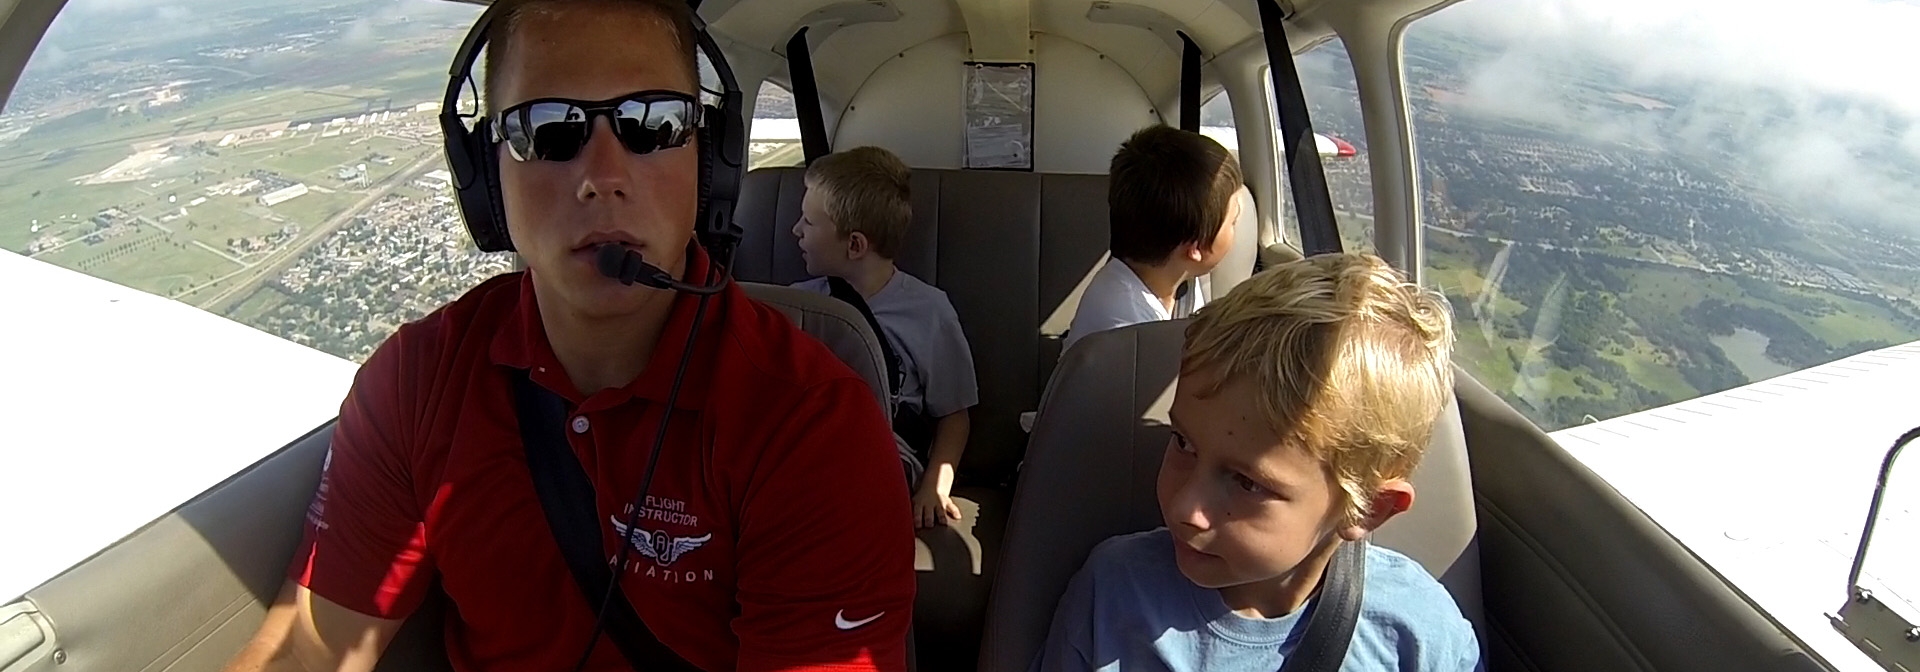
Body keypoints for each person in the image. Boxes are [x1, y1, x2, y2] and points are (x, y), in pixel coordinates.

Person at [219, 2, 915, 671]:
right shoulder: (414, 383)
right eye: (549, 130)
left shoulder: (812, 427)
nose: (603, 177)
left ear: (711, 161)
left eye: (654, 123)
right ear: (485, 174)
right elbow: (309, 648)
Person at [1032, 253, 1481, 672]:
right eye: (1183, 443)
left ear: (1365, 508)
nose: (1187, 508)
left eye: (1247, 483)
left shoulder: (1419, 633)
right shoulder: (1113, 595)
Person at [789, 146, 980, 530]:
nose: (796, 230)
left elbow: (955, 416)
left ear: (855, 245)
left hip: (885, 449)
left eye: (808, 223)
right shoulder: (798, 303)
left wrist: (935, 487)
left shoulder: (929, 312)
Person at [1064, 124, 1242, 351]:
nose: (1236, 228)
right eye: (1233, 222)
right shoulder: (1126, 329)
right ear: (1194, 248)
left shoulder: (1176, 278)